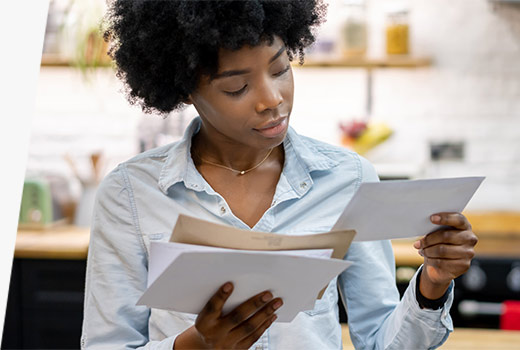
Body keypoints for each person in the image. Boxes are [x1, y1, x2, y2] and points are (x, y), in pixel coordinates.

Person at [82, 1, 478, 349]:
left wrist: (433, 283)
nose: (272, 100)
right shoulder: (131, 194)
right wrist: (196, 346)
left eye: (281, 68)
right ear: (185, 90)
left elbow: (379, 341)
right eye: (237, 87)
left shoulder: (348, 178)